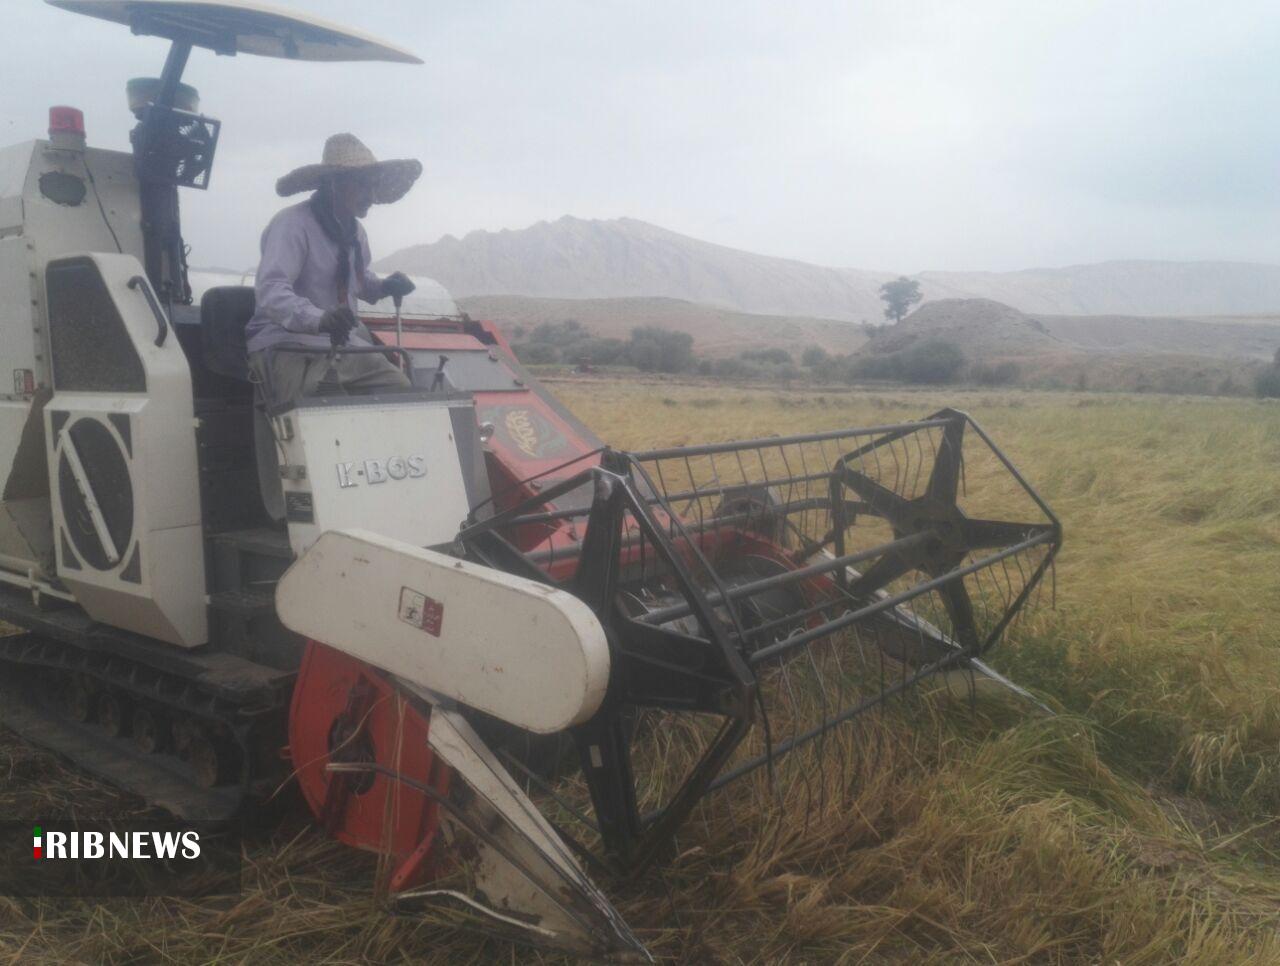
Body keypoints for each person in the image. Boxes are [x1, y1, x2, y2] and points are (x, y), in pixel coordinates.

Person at [245, 133, 422, 407]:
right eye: (363, 185)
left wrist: (385, 287)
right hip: (288, 344)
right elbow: (271, 291)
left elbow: (358, 282)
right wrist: (319, 319)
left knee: (399, 388)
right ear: (334, 183)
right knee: (310, 408)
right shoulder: (293, 225)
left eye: (374, 186)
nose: (371, 196)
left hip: (340, 345)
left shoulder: (356, 233)